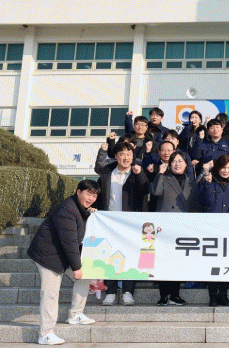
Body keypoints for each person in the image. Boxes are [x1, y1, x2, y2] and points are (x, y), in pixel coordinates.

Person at [28, 180, 100, 346]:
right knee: (50, 294)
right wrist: (76, 267)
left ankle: (75, 314)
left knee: (84, 276)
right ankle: (45, 334)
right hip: (47, 255)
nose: (91, 198)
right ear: (78, 192)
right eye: (88, 194)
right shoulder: (67, 210)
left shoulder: (79, 208)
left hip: (60, 254)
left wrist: (88, 214)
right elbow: (69, 242)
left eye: (94, 195)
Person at [94, 142, 148, 306]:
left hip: (130, 223)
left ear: (133, 157)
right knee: (110, 256)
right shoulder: (107, 174)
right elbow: (99, 193)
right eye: (122, 154)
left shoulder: (137, 172)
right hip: (109, 222)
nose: (126, 157)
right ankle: (110, 292)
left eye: (129, 154)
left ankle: (127, 292)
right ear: (116, 156)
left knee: (130, 256)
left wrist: (139, 174)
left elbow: (145, 190)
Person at [150, 151, 198, 306]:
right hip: (165, 227)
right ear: (169, 164)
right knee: (163, 260)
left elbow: (195, 206)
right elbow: (155, 191)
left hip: (182, 227)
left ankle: (175, 295)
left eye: (180, 161)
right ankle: (163, 295)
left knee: (178, 261)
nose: (177, 164)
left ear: (186, 164)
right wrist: (160, 174)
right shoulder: (164, 178)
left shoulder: (192, 183)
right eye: (174, 161)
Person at [198, 154, 229, 306]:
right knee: (212, 263)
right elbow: (201, 201)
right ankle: (212, 295)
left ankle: (223, 294)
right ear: (217, 168)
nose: (226, 171)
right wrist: (206, 182)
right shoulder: (209, 182)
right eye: (223, 167)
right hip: (211, 230)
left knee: (227, 263)